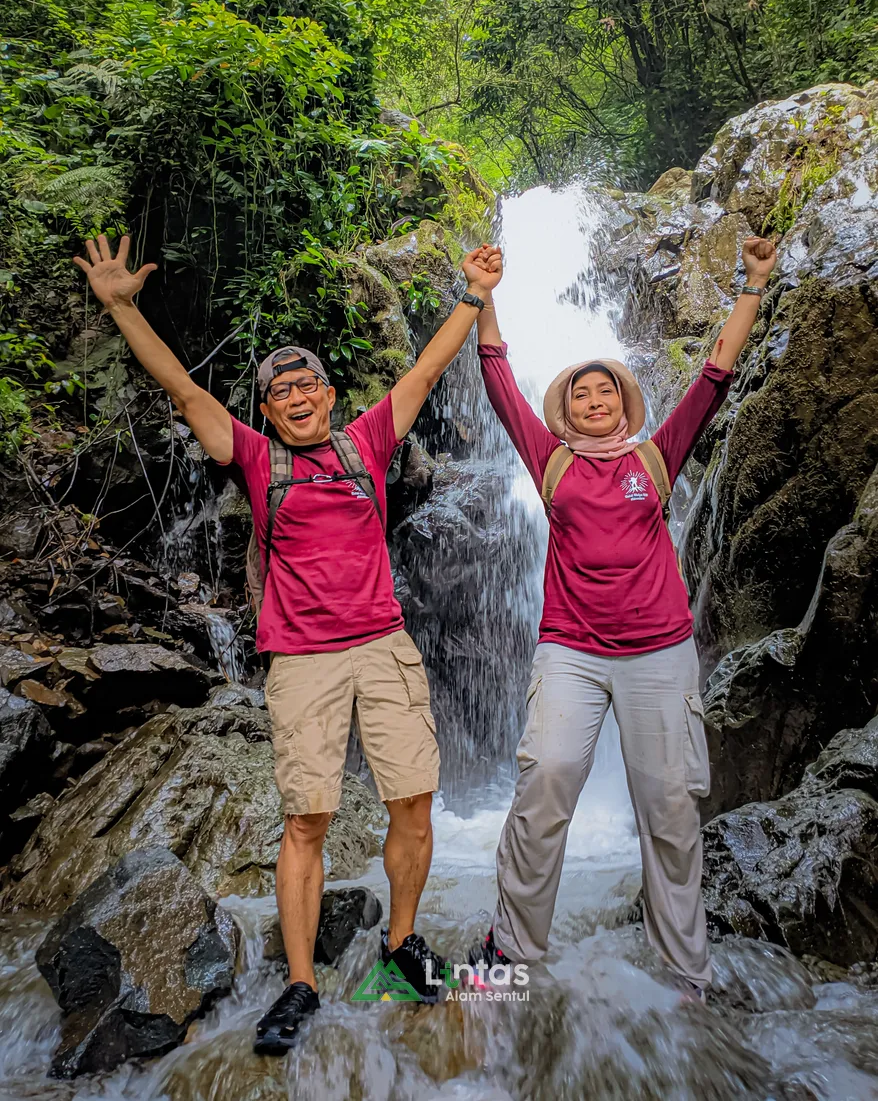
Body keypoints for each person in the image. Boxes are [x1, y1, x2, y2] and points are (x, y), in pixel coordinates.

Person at [74, 233, 503, 1052]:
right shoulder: (256, 457)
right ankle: (301, 983)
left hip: (384, 645)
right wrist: (123, 306)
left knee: (413, 802)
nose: (297, 394)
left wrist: (473, 294)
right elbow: (178, 385)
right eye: (281, 389)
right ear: (266, 410)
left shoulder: (368, 442)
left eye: (308, 382)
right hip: (301, 660)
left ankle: (401, 945)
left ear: (331, 394)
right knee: (307, 819)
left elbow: (423, 371)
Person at [468, 236, 777, 1001]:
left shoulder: (657, 457)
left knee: (670, 808)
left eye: (606, 392)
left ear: (625, 402)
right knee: (548, 784)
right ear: (565, 407)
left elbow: (713, 376)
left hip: (659, 653)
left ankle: (687, 970)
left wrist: (753, 284)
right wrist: (483, 294)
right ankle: (508, 954)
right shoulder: (551, 460)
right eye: (581, 393)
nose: (594, 401)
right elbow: (498, 375)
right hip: (569, 648)